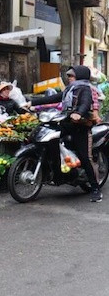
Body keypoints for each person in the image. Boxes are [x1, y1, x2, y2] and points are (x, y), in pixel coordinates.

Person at [30, 65, 102, 202]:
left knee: (85, 157)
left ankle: (95, 189)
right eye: (68, 76)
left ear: (79, 76)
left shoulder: (85, 89)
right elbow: (53, 98)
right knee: (51, 139)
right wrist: (32, 102)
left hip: (81, 127)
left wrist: (79, 113)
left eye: (71, 76)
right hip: (66, 124)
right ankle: (58, 174)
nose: (69, 78)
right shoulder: (69, 89)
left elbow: (86, 103)